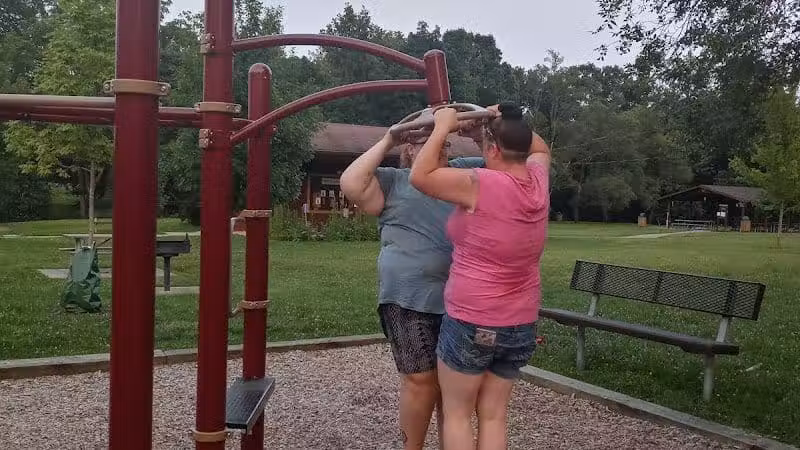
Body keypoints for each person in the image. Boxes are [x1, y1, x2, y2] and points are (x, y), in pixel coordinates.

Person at [409, 102, 551, 450]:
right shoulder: (538, 180)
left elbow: (420, 175)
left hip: (473, 320)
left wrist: (443, 125)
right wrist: (496, 124)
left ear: (493, 150)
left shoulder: (480, 183)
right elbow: (540, 147)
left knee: (457, 413)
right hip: (520, 323)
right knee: (493, 414)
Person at [339, 129, 484, 450]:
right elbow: (350, 183)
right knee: (421, 382)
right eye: (429, 143)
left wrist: (482, 134)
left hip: (459, 298)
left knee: (455, 388)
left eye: (444, 144)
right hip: (407, 298)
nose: (440, 150)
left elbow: (511, 171)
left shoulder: (461, 172)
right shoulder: (394, 181)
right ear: (409, 149)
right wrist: (389, 139)